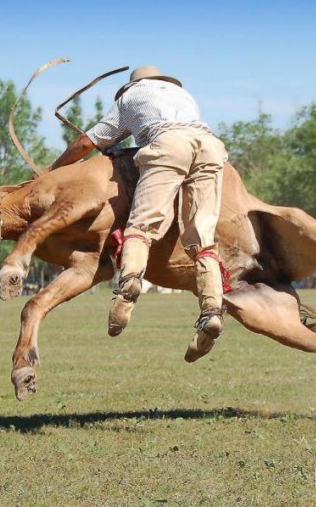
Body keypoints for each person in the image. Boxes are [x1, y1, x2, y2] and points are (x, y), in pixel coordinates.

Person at [49, 65, 228, 361]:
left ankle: (129, 286)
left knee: (141, 229)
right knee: (201, 241)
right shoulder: (183, 94)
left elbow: (86, 143)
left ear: (132, 85)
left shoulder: (130, 97)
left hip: (168, 144)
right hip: (211, 147)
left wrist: (51, 172)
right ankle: (211, 310)